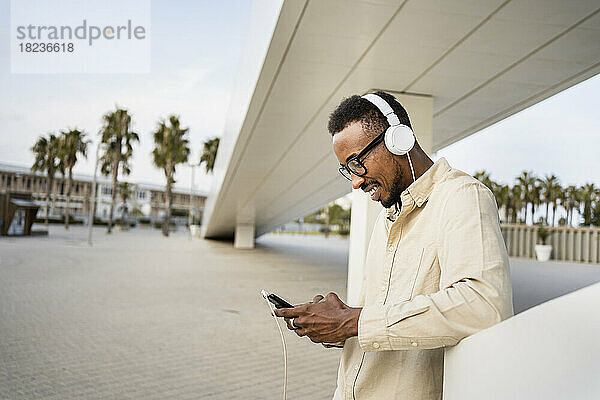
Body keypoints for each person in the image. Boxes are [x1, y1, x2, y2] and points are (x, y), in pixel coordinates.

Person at [274, 91, 514, 399]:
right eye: (347, 170)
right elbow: (380, 318)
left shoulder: (462, 196)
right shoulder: (387, 218)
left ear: (398, 140)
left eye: (357, 163)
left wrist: (354, 321)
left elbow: (483, 305)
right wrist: (336, 325)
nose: (355, 182)